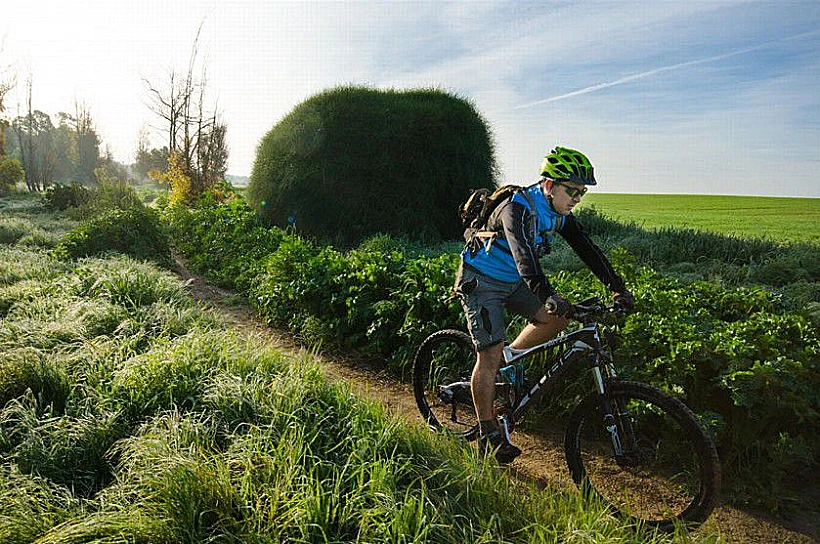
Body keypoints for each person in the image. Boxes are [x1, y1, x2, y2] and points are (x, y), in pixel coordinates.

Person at [454, 146, 634, 463]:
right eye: (572, 190)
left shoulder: (558, 214)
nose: (577, 198)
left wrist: (618, 288)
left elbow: (588, 250)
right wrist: (549, 295)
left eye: (582, 192)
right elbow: (524, 256)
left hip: (514, 283)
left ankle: (508, 362)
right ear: (549, 185)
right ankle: (487, 433)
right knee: (490, 352)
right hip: (482, 281)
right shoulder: (517, 208)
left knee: (555, 321)